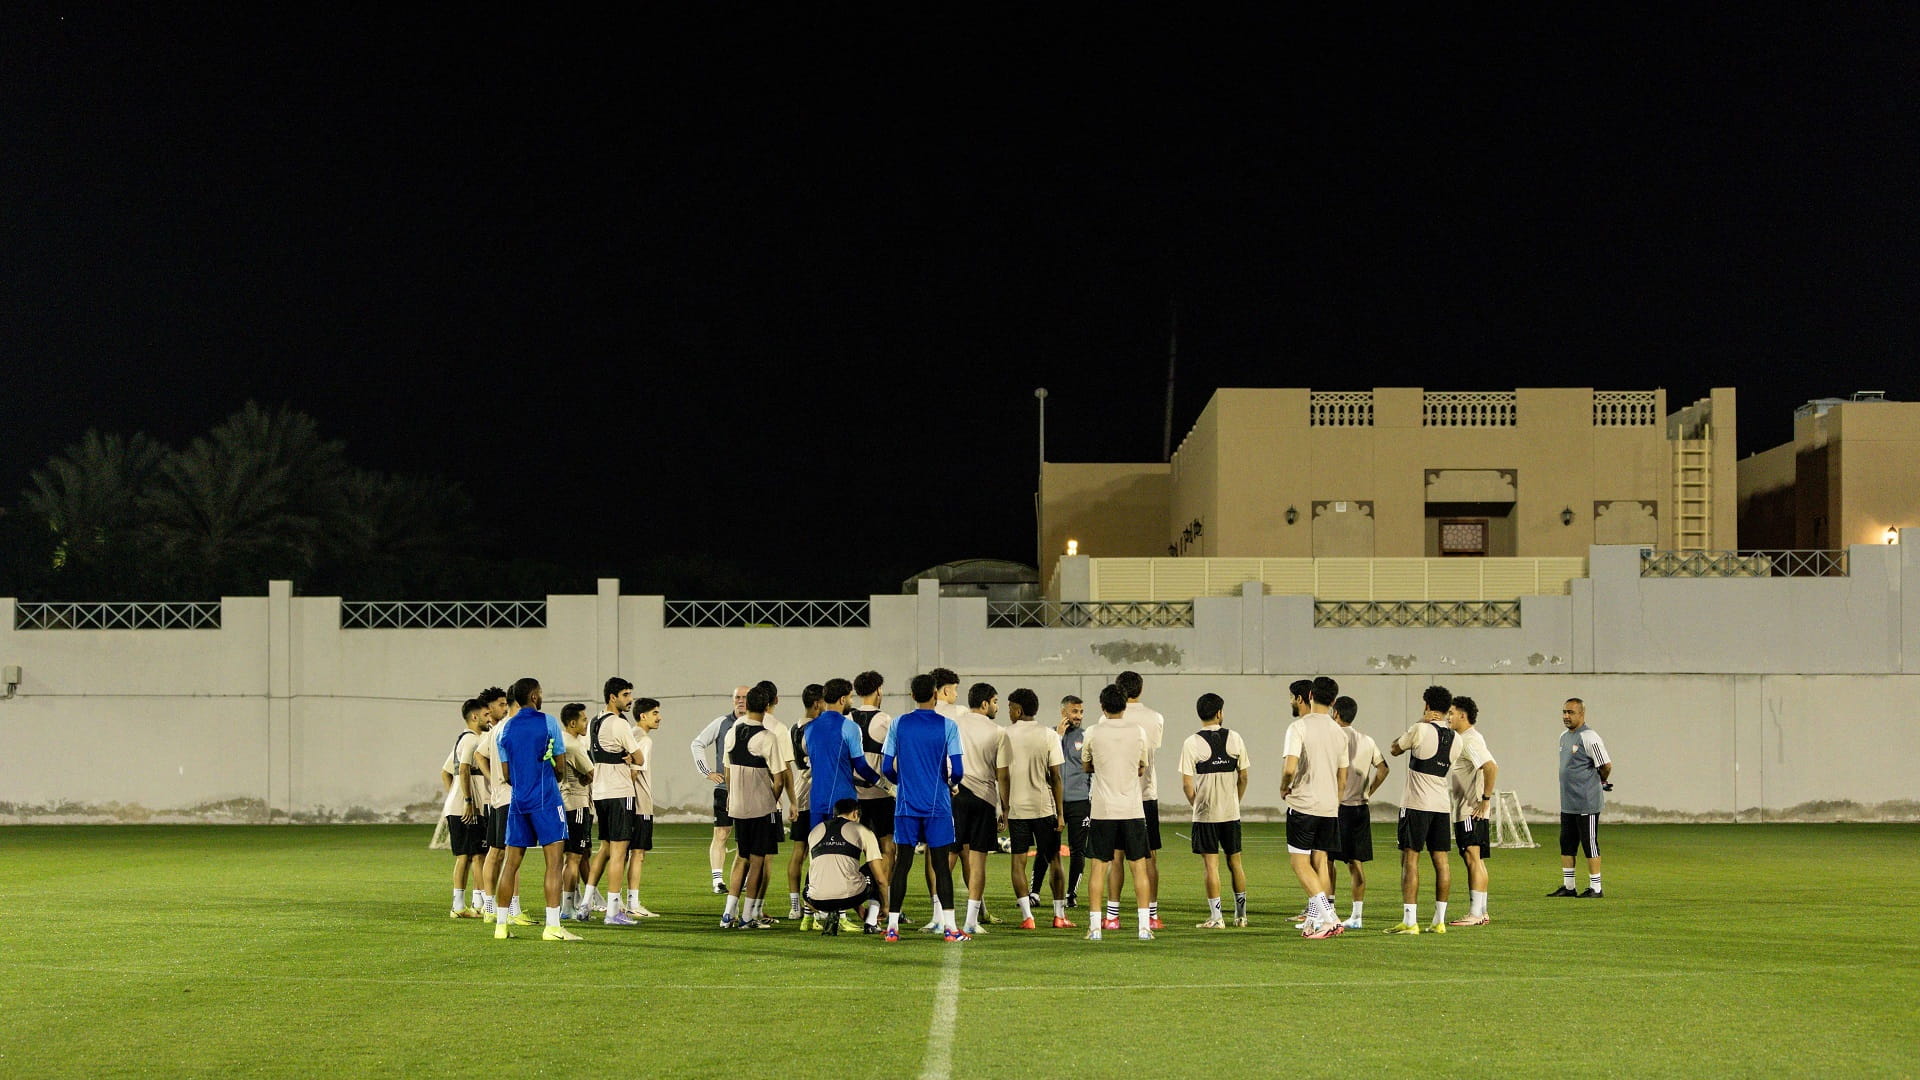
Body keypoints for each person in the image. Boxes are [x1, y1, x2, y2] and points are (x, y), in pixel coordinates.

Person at [491, 677, 582, 941]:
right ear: (533, 696)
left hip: (518, 802)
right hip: (546, 800)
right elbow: (561, 770)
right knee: (554, 864)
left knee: (510, 865)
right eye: (540, 693)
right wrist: (550, 765)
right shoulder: (549, 722)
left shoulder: (505, 729)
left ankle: (500, 926)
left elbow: (507, 774)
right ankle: (553, 927)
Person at [879, 673, 967, 943]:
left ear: (912, 696)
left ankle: (892, 927)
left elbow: (886, 768)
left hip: (906, 804)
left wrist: (903, 782)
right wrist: (949, 783)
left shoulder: (898, 724)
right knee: (941, 866)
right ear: (935, 694)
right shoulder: (948, 726)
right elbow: (959, 771)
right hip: (937, 805)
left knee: (902, 864)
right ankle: (951, 928)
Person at [805, 677, 886, 931]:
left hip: (816, 799)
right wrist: (882, 783)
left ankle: (812, 914)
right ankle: (841, 916)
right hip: (843, 800)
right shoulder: (850, 728)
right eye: (850, 698)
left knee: (819, 856)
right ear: (842, 699)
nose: (851, 702)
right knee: (847, 856)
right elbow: (860, 765)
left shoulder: (809, 728)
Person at [1081, 683, 1155, 942]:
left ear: (1103, 707)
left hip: (1103, 809)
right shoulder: (1139, 732)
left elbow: (1086, 765)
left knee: (1099, 868)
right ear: (1125, 706)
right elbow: (1140, 768)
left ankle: (1095, 928)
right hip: (1132, 809)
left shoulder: (1093, 731)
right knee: (1139, 868)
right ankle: (1144, 928)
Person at [719, 684, 794, 929]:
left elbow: (727, 771)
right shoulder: (767, 737)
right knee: (758, 860)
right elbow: (780, 778)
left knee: (741, 856)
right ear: (766, 706)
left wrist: (733, 796)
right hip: (760, 808)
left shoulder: (732, 732)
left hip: (737, 805)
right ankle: (748, 917)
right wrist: (771, 800)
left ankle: (728, 914)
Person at [1282, 676, 1350, 939]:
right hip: (1329, 806)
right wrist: (1335, 800)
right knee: (1320, 861)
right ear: (1333, 701)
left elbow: (1290, 767)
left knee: (1299, 863)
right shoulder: (1338, 732)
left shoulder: (1298, 727)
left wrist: (1284, 787)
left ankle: (1330, 918)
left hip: (1304, 804)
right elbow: (1342, 777)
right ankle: (1313, 921)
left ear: (1309, 695)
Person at [1386, 685, 1455, 934]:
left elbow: (1394, 749)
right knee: (1442, 861)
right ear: (1447, 709)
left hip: (1416, 803)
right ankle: (1439, 921)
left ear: (1427, 705)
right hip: (1442, 805)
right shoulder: (1455, 737)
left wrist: (1419, 722)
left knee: (1410, 858)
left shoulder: (1420, 728)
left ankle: (1410, 920)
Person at [1178, 692, 1250, 929]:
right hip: (1231, 813)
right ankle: (1241, 916)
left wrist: (1197, 806)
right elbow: (1244, 776)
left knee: (1211, 866)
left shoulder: (1191, 742)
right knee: (1235, 863)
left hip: (1205, 815)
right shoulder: (1236, 738)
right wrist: (1235, 801)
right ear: (1220, 713)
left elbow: (1187, 784)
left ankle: (1216, 917)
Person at [1002, 688, 1072, 929]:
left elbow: (1002, 777)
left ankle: (1027, 918)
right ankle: (1059, 916)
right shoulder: (1049, 735)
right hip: (1044, 808)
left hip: (1017, 809)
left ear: (1018, 710)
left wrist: (1003, 810)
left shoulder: (1005, 735)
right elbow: (1056, 777)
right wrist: (1060, 813)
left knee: (1018, 863)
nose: (1008, 711)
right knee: (1054, 860)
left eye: (1010, 706)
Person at [950, 682, 1011, 936]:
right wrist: (1004, 809)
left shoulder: (954, 725)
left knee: (948, 857)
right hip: (984, 800)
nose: (997, 707)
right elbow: (1003, 775)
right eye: (995, 702)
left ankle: (940, 916)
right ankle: (971, 920)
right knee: (977, 861)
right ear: (985, 703)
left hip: (955, 795)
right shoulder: (998, 732)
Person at [1110, 671, 1166, 930]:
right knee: (1149, 856)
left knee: (1116, 856)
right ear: (1140, 690)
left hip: (1117, 795)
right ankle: (1152, 915)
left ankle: (1113, 916)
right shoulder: (1155, 718)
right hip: (1146, 795)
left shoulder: (1108, 718)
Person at [584, 678, 642, 925]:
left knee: (605, 848)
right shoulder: (619, 723)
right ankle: (612, 911)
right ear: (612, 697)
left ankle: (586, 902)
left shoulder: (595, 721)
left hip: (600, 792)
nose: (630, 699)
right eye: (625, 694)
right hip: (619, 792)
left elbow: (590, 752)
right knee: (620, 853)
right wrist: (629, 757)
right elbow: (638, 757)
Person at [1330, 695, 1388, 930]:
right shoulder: (1367, 740)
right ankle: (1356, 916)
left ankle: (1329, 912)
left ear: (1336, 714)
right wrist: (1369, 791)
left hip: (1336, 808)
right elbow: (1383, 768)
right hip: (1360, 809)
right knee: (1356, 863)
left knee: (1326, 860)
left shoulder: (1332, 738)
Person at [1027, 695, 1089, 906]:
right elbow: (1044, 764)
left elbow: (1092, 768)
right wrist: (1059, 737)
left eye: (1081, 712)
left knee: (1078, 850)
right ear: (1064, 712)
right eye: (1074, 712)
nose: (1078, 716)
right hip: (1053, 802)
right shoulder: (1049, 735)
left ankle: (1071, 895)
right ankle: (1034, 893)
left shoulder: (1087, 736)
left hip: (1080, 801)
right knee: (1047, 848)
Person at [472, 687, 524, 925]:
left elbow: (480, 755)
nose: (504, 708)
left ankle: (492, 906)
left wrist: (492, 778)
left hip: (500, 798)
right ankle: (507, 908)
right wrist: (495, 778)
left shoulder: (495, 731)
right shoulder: (507, 728)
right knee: (507, 853)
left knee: (498, 852)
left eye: (506, 704)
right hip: (508, 798)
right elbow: (478, 757)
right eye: (501, 704)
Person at [1552, 698, 1612, 898]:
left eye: (1570, 712)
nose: (1566, 716)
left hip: (1586, 802)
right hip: (1568, 803)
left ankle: (1596, 888)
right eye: (1564, 712)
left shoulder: (1590, 737)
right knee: (1566, 844)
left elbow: (1605, 765)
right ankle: (1569, 887)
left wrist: (1600, 781)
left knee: (1589, 843)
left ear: (1582, 714)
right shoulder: (1563, 737)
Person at [692, 685, 749, 894]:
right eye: (738, 697)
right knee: (721, 833)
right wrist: (706, 772)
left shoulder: (758, 724)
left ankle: (741, 880)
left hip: (748, 791)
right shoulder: (722, 723)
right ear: (733, 700)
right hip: (725, 789)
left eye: (745, 697)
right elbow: (697, 744)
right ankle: (717, 881)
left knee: (745, 837)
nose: (741, 701)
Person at [1446, 696, 1498, 926]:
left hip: (1470, 810)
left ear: (1462, 716)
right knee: (1475, 860)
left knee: (1472, 858)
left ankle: (1476, 913)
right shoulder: (1469, 738)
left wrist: (1485, 799)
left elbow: (1490, 766)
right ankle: (1481, 911)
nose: (1448, 717)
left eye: (1451, 713)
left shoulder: (1468, 741)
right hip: (1469, 809)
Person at [847, 670, 897, 908]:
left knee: (855, 850)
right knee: (888, 847)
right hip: (881, 795)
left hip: (853, 797)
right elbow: (895, 760)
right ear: (878, 690)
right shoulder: (885, 721)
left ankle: (855, 901)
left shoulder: (848, 719)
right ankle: (881, 902)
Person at [803, 800, 887, 937]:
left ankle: (832, 911)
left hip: (815, 900)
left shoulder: (815, 830)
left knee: (822, 869)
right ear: (855, 814)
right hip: (851, 896)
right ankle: (871, 922)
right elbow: (880, 879)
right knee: (881, 863)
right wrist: (886, 906)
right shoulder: (862, 830)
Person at [440, 698, 489, 918]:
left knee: (466, 856)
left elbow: (446, 771)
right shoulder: (471, 740)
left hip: (460, 806)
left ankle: (460, 906)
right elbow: (464, 770)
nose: (489, 719)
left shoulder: (464, 739)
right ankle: (481, 905)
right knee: (477, 855)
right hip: (468, 808)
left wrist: (455, 795)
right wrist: (466, 800)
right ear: (474, 717)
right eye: (485, 715)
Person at [785, 684, 825, 923]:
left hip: (799, 789)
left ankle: (795, 906)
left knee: (798, 850)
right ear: (818, 703)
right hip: (814, 789)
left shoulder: (794, 727)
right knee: (817, 851)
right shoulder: (816, 728)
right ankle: (815, 905)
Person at [554, 703, 595, 920]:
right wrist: (585, 776)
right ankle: (568, 907)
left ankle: (580, 900)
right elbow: (591, 774)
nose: (586, 723)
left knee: (572, 856)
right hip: (577, 805)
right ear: (573, 723)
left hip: (560, 804)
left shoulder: (558, 741)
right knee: (574, 857)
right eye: (583, 720)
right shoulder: (575, 746)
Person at [622, 697, 662, 918]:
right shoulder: (644, 740)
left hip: (627, 803)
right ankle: (633, 903)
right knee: (638, 854)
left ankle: (616, 900)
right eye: (655, 713)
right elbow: (635, 771)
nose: (659, 717)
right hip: (640, 804)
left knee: (622, 854)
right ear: (643, 715)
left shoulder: (629, 734)